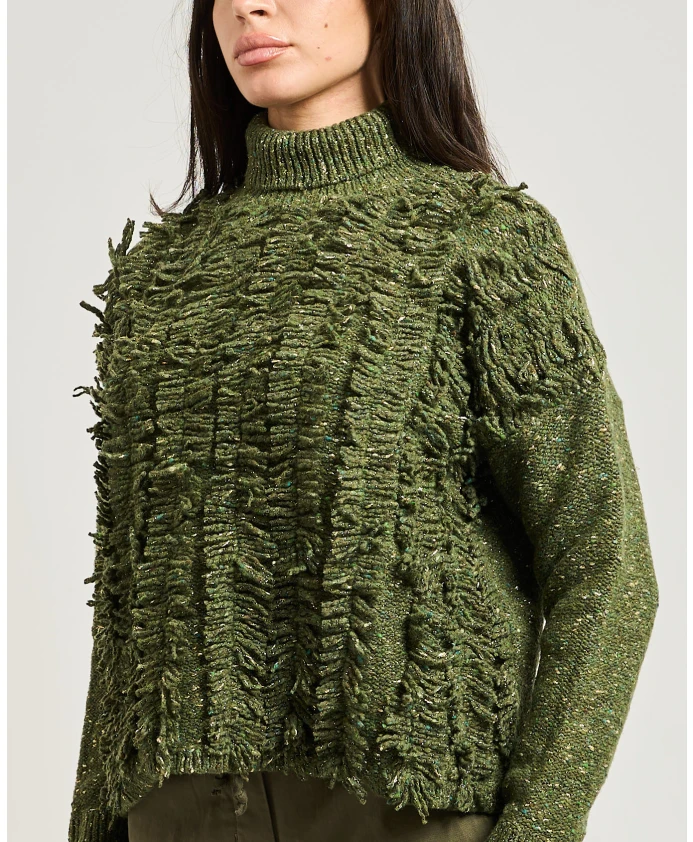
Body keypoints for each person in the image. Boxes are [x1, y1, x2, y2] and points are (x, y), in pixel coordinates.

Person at [67, 1, 660, 841]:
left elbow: (603, 565)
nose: (250, 6)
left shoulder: (484, 239)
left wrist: (539, 827)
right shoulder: (160, 269)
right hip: (176, 809)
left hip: (405, 804)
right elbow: (132, 593)